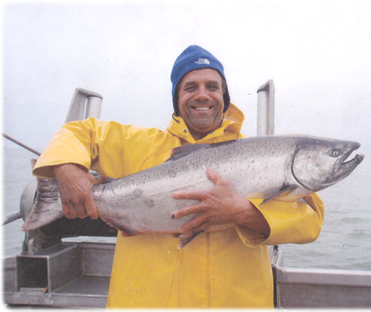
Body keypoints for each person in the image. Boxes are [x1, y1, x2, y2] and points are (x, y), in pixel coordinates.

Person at [33, 45, 324, 312]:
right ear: (177, 97)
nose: (202, 95)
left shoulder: (262, 155)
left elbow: (310, 219)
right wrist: (67, 169)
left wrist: (241, 212)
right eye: (190, 87)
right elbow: (77, 131)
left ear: (224, 97)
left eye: (212, 86)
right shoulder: (140, 144)